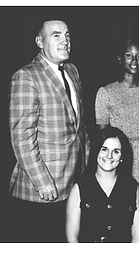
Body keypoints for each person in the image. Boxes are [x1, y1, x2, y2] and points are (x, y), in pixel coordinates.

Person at [8, 18, 90, 242]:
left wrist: (86, 166)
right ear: (39, 41)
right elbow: (22, 137)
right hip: (40, 190)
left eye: (67, 35)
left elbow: (79, 128)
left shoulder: (72, 71)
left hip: (72, 183)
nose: (65, 41)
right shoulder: (27, 76)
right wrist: (42, 181)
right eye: (56, 35)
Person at [95, 38, 139, 241]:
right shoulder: (105, 93)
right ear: (119, 58)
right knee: (121, 213)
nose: (134, 60)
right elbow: (103, 138)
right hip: (119, 158)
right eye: (129, 55)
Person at [66, 126, 139, 242]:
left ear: (122, 157)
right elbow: (72, 237)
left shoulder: (132, 188)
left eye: (116, 151)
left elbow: (138, 235)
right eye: (104, 149)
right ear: (96, 151)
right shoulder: (79, 189)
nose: (109, 156)